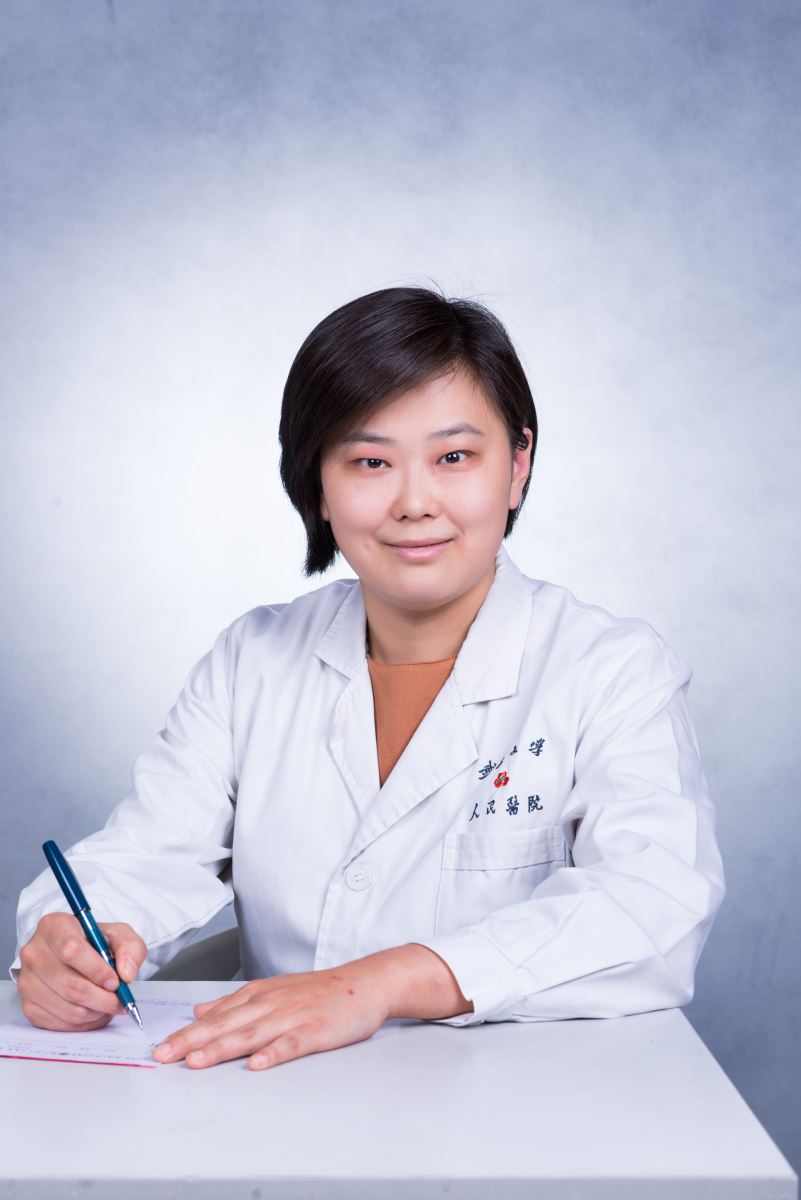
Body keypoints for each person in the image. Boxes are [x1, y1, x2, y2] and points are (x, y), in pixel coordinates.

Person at [11, 285, 726, 1072]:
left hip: (525, 1102)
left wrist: (380, 984)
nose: (414, 503)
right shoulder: (254, 659)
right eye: (370, 462)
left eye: (454, 458)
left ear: (516, 466)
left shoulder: (610, 669)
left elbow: (650, 904)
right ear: (316, 484)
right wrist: (68, 943)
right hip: (278, 1096)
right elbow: (145, 855)